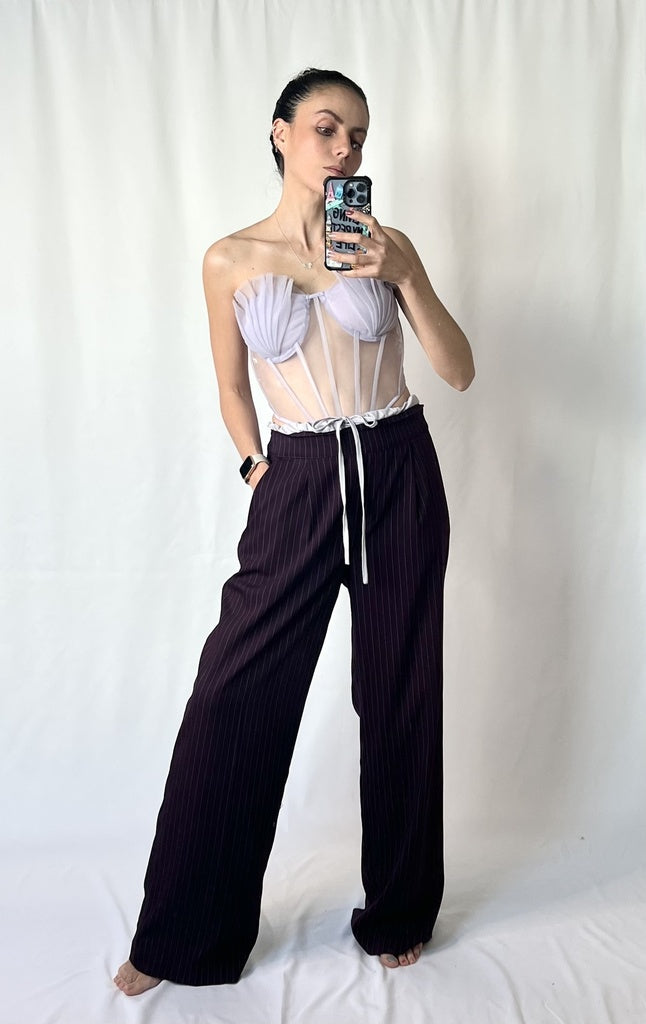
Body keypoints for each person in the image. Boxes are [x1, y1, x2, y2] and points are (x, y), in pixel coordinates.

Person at [114, 67, 474, 997]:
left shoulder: (385, 245)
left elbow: (459, 370)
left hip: (396, 465)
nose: (344, 147)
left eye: (357, 134)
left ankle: (399, 914)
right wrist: (254, 466)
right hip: (299, 478)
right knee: (234, 695)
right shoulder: (229, 259)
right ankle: (181, 934)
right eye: (325, 127)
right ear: (281, 133)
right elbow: (232, 388)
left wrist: (405, 274)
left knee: (399, 694)